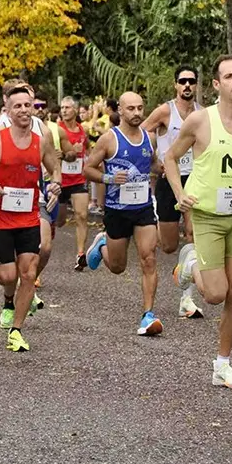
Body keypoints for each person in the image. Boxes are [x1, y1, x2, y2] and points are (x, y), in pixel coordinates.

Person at [164, 55, 232, 389]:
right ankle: (191, 261)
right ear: (217, 84)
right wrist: (180, 194)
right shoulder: (200, 121)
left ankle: (222, 364)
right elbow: (169, 157)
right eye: (230, 76)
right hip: (207, 216)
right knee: (214, 294)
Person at [0, 84, 61, 351]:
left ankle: (16, 330)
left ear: (34, 108)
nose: (23, 110)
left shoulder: (40, 141)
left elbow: (55, 170)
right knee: (8, 276)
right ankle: (8, 297)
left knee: (29, 273)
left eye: (27, 105)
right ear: (7, 110)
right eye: (17, 106)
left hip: (29, 214)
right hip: (0, 215)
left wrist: (55, 184)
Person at [82, 91, 163, 336]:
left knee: (148, 258)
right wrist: (108, 177)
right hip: (117, 211)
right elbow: (88, 169)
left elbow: (153, 163)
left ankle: (148, 315)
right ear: (121, 109)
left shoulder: (150, 138)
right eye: (131, 109)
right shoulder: (109, 139)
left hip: (143, 208)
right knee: (117, 267)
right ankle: (102, 244)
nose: (137, 113)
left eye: (140, 108)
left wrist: (165, 169)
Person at [145, 65, 204, 317]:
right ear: (175, 85)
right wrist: (154, 157)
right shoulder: (165, 111)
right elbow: (143, 131)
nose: (187, 85)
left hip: (196, 179)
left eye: (191, 81)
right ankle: (180, 269)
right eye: (183, 81)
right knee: (169, 245)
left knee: (193, 233)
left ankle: (186, 300)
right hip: (171, 179)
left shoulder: (204, 114)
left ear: (197, 85)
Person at [56, 96, 92, 272]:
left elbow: (88, 149)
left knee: (82, 215)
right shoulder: (57, 130)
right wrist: (67, 153)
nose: (64, 110)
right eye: (62, 107)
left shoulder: (81, 130)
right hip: (60, 180)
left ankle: (80, 254)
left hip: (78, 179)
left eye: (68, 107)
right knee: (60, 220)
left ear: (75, 110)